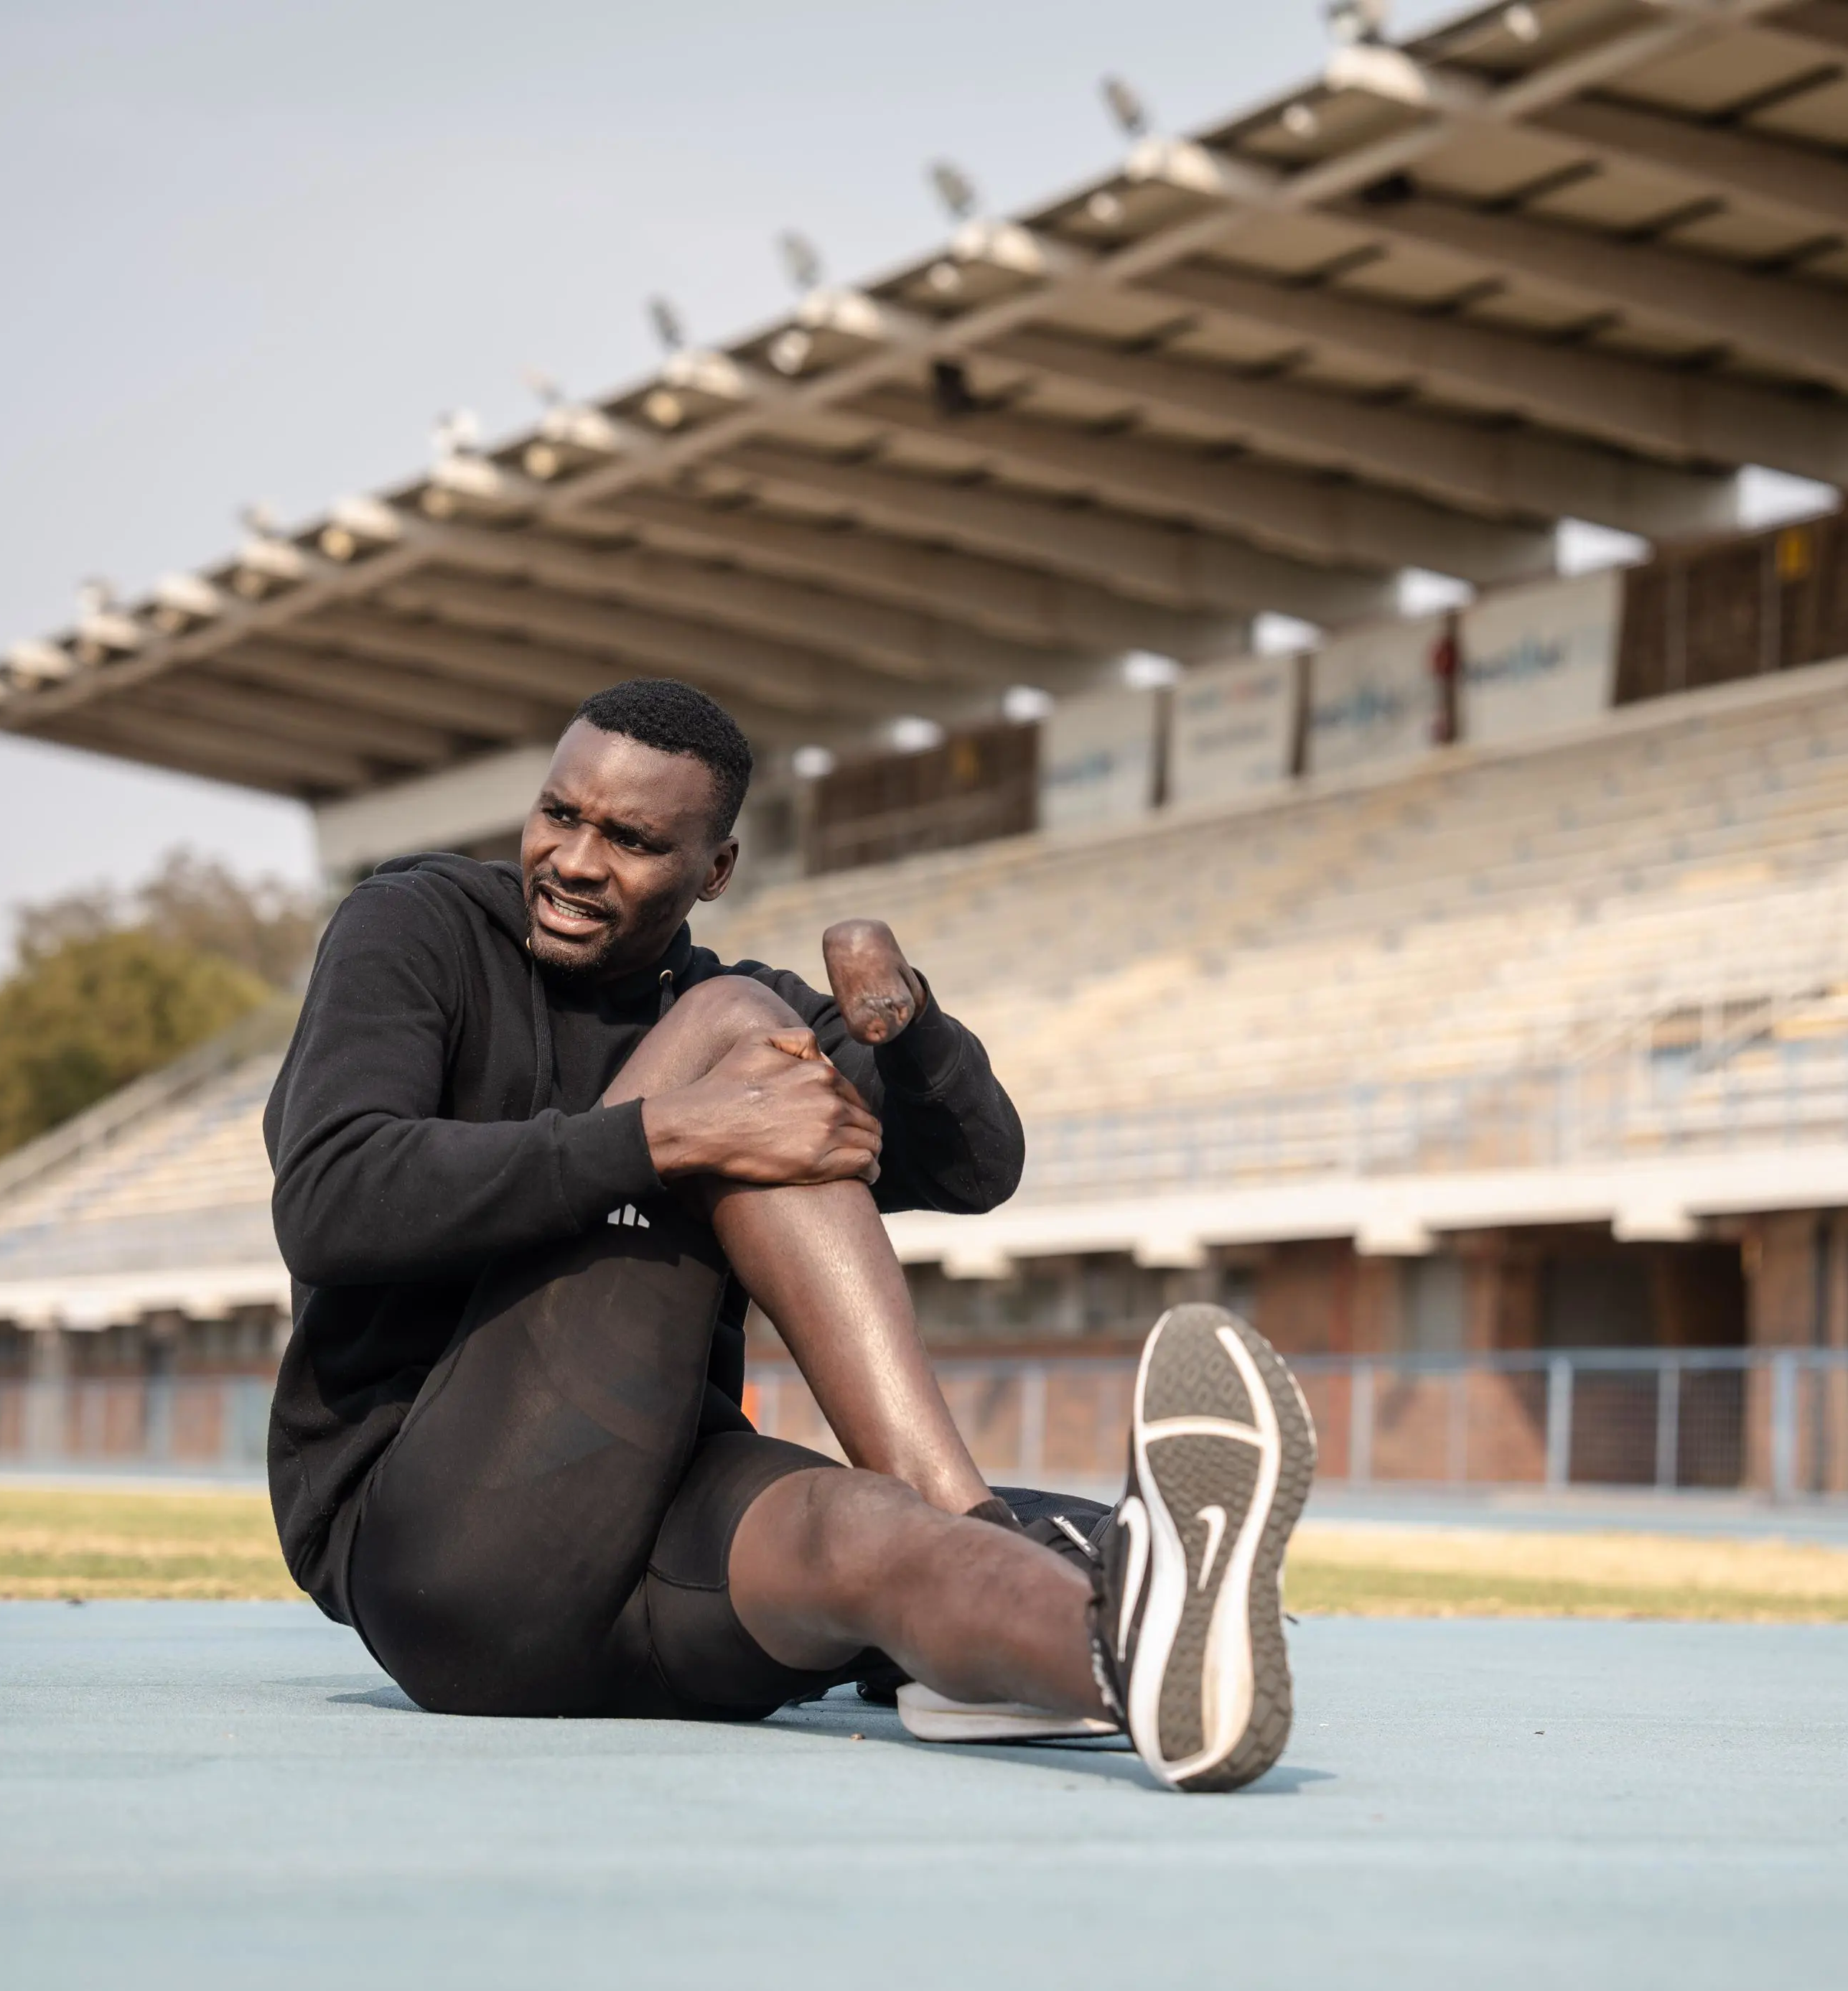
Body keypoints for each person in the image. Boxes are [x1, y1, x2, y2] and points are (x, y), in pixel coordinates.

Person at [263, 678, 1313, 1791]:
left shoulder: (741, 999)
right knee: (738, 1042)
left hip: (659, 1571)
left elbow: (973, 1167)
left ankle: (1131, 1660)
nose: (573, 860)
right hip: (444, 1560)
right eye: (559, 814)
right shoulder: (416, 927)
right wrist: (666, 1133)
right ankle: (1002, 1526)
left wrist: (907, 1030)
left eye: (631, 839)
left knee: (873, 1532)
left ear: (712, 871)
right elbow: (330, 1198)